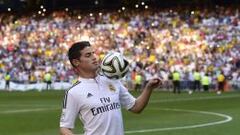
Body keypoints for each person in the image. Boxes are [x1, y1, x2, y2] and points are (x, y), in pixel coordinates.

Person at [59, 41, 161, 135]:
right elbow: (65, 128)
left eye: (93, 53)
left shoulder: (112, 80)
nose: (94, 57)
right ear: (76, 62)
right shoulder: (73, 92)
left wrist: (149, 88)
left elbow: (136, 107)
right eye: (88, 55)